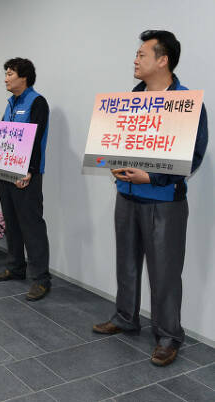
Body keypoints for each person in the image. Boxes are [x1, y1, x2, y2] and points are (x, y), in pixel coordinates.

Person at [92, 30, 208, 367]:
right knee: (126, 263)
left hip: (163, 201)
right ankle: (125, 317)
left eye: (142, 54)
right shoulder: (132, 100)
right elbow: (117, 144)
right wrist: (112, 164)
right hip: (126, 196)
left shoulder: (187, 103)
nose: (135, 60)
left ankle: (168, 335)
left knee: (165, 272)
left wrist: (153, 177)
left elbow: (193, 155)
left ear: (163, 60)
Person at [0, 58, 52, 301]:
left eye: (10, 73)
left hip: (26, 175)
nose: (6, 78)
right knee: (11, 221)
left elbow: (37, 137)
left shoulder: (37, 102)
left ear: (24, 77)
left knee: (32, 225)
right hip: (6, 171)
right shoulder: (10, 104)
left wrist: (29, 170)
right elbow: (2, 136)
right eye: (6, 73)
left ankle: (41, 279)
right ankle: (16, 267)